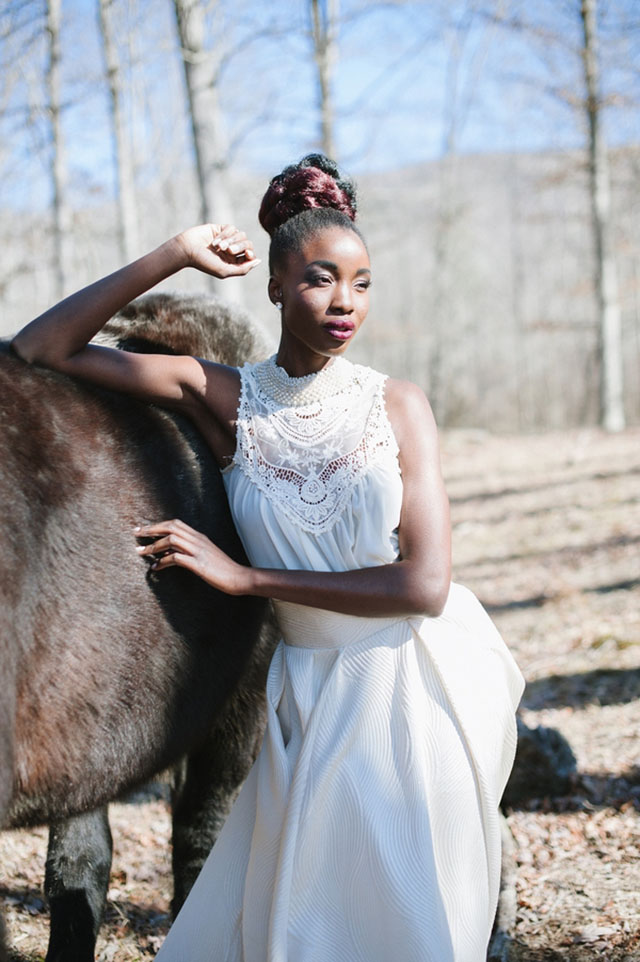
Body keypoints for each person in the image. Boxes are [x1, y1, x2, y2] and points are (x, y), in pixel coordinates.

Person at [12, 154, 524, 962]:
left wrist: (247, 577)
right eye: (320, 280)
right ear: (277, 287)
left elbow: (424, 584)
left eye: (362, 282)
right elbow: (41, 348)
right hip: (300, 703)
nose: (344, 303)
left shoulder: (399, 404)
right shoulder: (223, 398)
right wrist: (174, 252)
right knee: (296, 933)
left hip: (407, 686)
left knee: (411, 930)